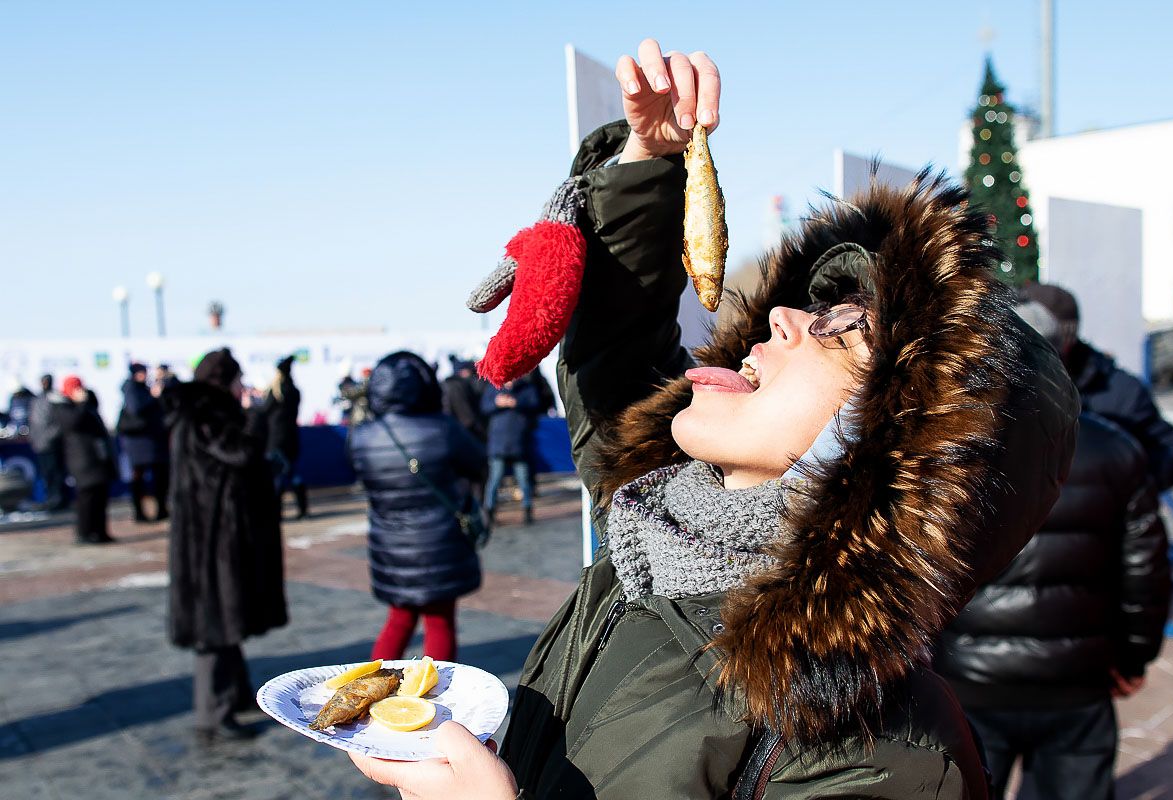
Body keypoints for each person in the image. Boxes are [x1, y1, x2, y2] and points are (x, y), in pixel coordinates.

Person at [349, 40, 1078, 799]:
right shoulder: (658, 527)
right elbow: (617, 364)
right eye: (812, 305)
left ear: (896, 449)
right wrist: (649, 163)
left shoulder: (889, 752)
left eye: (843, 332)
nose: (788, 314)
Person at [935, 302, 1172, 800]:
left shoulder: (950, 445)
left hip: (971, 678)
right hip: (1074, 679)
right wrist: (1134, 658)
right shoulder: (1116, 448)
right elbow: (1145, 572)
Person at [162, 348, 287, 743]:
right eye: (236, 379)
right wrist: (258, 415)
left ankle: (235, 695)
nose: (240, 387)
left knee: (225, 618)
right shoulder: (208, 411)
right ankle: (213, 713)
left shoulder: (196, 409)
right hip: (212, 538)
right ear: (223, 380)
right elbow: (241, 452)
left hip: (210, 533)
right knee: (213, 626)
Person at [348, 351, 486, 663]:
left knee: (399, 620)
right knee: (439, 622)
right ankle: (436, 697)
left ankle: (371, 691)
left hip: (390, 545)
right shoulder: (443, 428)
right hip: (439, 543)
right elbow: (477, 463)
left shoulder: (363, 435)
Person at [1023, 281, 1173, 492]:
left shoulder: (1120, 390)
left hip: (1100, 520)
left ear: (1064, 338)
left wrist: (1133, 490)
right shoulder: (1004, 390)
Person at [58, 375, 116, 544]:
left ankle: (100, 531)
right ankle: (84, 533)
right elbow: (74, 423)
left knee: (100, 496)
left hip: (97, 456)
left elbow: (95, 411)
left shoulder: (87, 404)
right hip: (81, 459)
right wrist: (81, 404)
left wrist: (88, 399)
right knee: (86, 498)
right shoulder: (63, 406)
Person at [480, 377, 539, 524]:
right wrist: (496, 403)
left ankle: (527, 510)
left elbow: (535, 404)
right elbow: (483, 407)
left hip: (519, 442)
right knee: (495, 479)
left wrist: (517, 403)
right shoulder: (493, 388)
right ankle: (490, 510)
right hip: (498, 443)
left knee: (523, 479)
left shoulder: (526, 388)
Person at [118, 362, 170, 522]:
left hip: (153, 441)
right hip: (139, 442)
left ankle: (161, 509)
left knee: (160, 476)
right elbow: (136, 408)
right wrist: (153, 396)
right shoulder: (131, 388)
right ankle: (139, 513)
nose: (145, 375)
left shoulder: (145, 388)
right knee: (138, 478)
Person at [262, 356, 308, 519]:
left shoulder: (275, 392)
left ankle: (277, 512)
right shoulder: (294, 391)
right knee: (292, 473)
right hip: (291, 438)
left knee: (278, 476)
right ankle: (303, 509)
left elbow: (263, 412)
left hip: (276, 440)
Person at [28, 374, 69, 511]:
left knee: (57, 473)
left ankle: (59, 499)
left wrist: (52, 437)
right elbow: (33, 422)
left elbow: (60, 422)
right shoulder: (36, 399)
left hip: (53, 444)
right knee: (47, 474)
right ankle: (51, 499)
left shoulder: (55, 398)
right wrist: (34, 438)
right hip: (41, 444)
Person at [442, 356, 487, 443]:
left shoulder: (448, 384)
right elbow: (467, 414)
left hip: (455, 429)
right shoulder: (458, 385)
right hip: (469, 429)